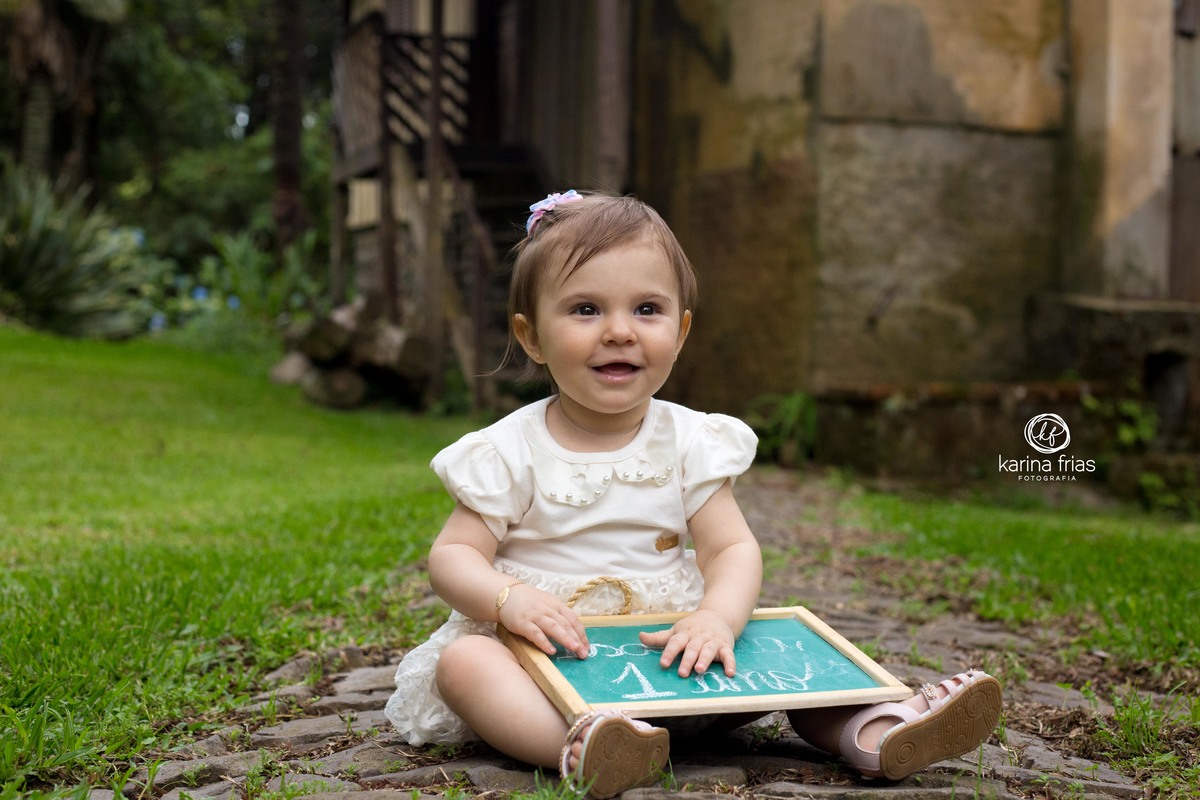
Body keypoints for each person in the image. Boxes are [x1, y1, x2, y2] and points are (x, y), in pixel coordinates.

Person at [384, 190, 1003, 797]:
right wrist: (507, 598)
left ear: (680, 332)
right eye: (586, 310)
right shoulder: (509, 449)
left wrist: (717, 617)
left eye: (647, 310)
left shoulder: (690, 440)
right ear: (533, 336)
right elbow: (452, 558)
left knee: (793, 650)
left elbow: (730, 549)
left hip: (676, 655)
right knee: (467, 665)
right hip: (549, 662)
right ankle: (586, 745)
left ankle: (874, 729)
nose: (620, 332)